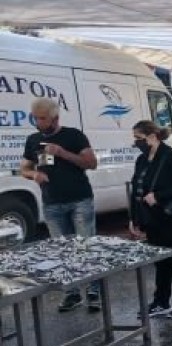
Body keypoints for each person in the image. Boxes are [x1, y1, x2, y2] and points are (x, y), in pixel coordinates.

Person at [20, 97, 101, 312]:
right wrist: (34, 174)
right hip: (52, 204)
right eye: (35, 118)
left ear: (55, 119)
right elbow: (24, 168)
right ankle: (72, 293)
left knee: (85, 247)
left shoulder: (74, 135)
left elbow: (91, 163)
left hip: (79, 200)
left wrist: (63, 153)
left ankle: (94, 291)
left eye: (43, 119)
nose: (38, 122)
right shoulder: (33, 139)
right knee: (63, 250)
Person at [128, 121, 172, 318]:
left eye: (139, 138)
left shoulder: (171, 157)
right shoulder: (142, 160)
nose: (137, 143)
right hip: (152, 219)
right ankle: (161, 300)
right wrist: (134, 218)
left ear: (152, 136)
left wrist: (159, 196)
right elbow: (137, 189)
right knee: (160, 261)